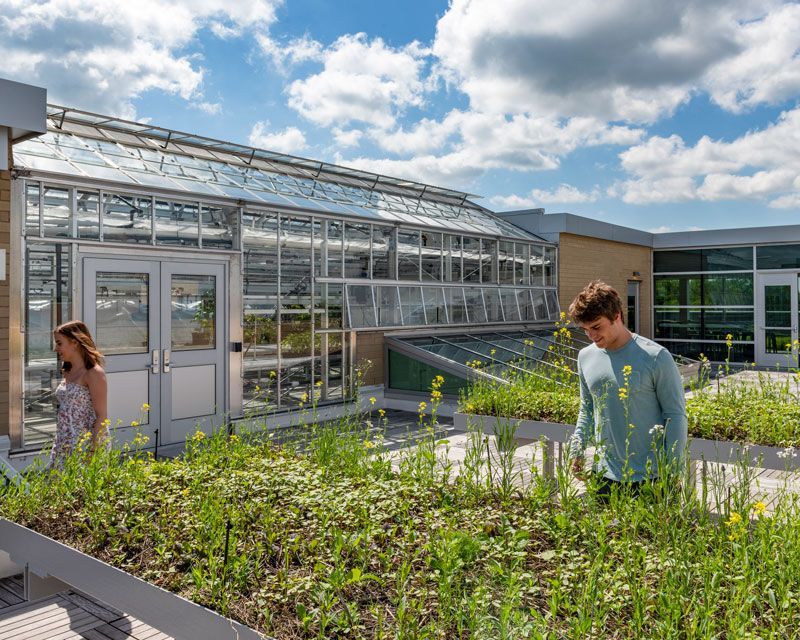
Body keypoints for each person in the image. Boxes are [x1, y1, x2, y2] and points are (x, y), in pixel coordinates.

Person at [567, 281, 687, 496]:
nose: (592, 336)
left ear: (616, 317)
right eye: (586, 330)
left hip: (652, 476)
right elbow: (587, 408)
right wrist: (577, 449)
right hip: (602, 474)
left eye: (596, 327)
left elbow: (675, 416)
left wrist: (673, 470)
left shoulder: (655, 357)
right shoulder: (585, 357)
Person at [49, 320, 108, 468]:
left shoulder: (94, 373)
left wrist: (92, 452)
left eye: (59, 343)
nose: (56, 349)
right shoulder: (67, 370)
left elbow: (102, 416)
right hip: (64, 442)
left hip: (85, 445)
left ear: (74, 342)